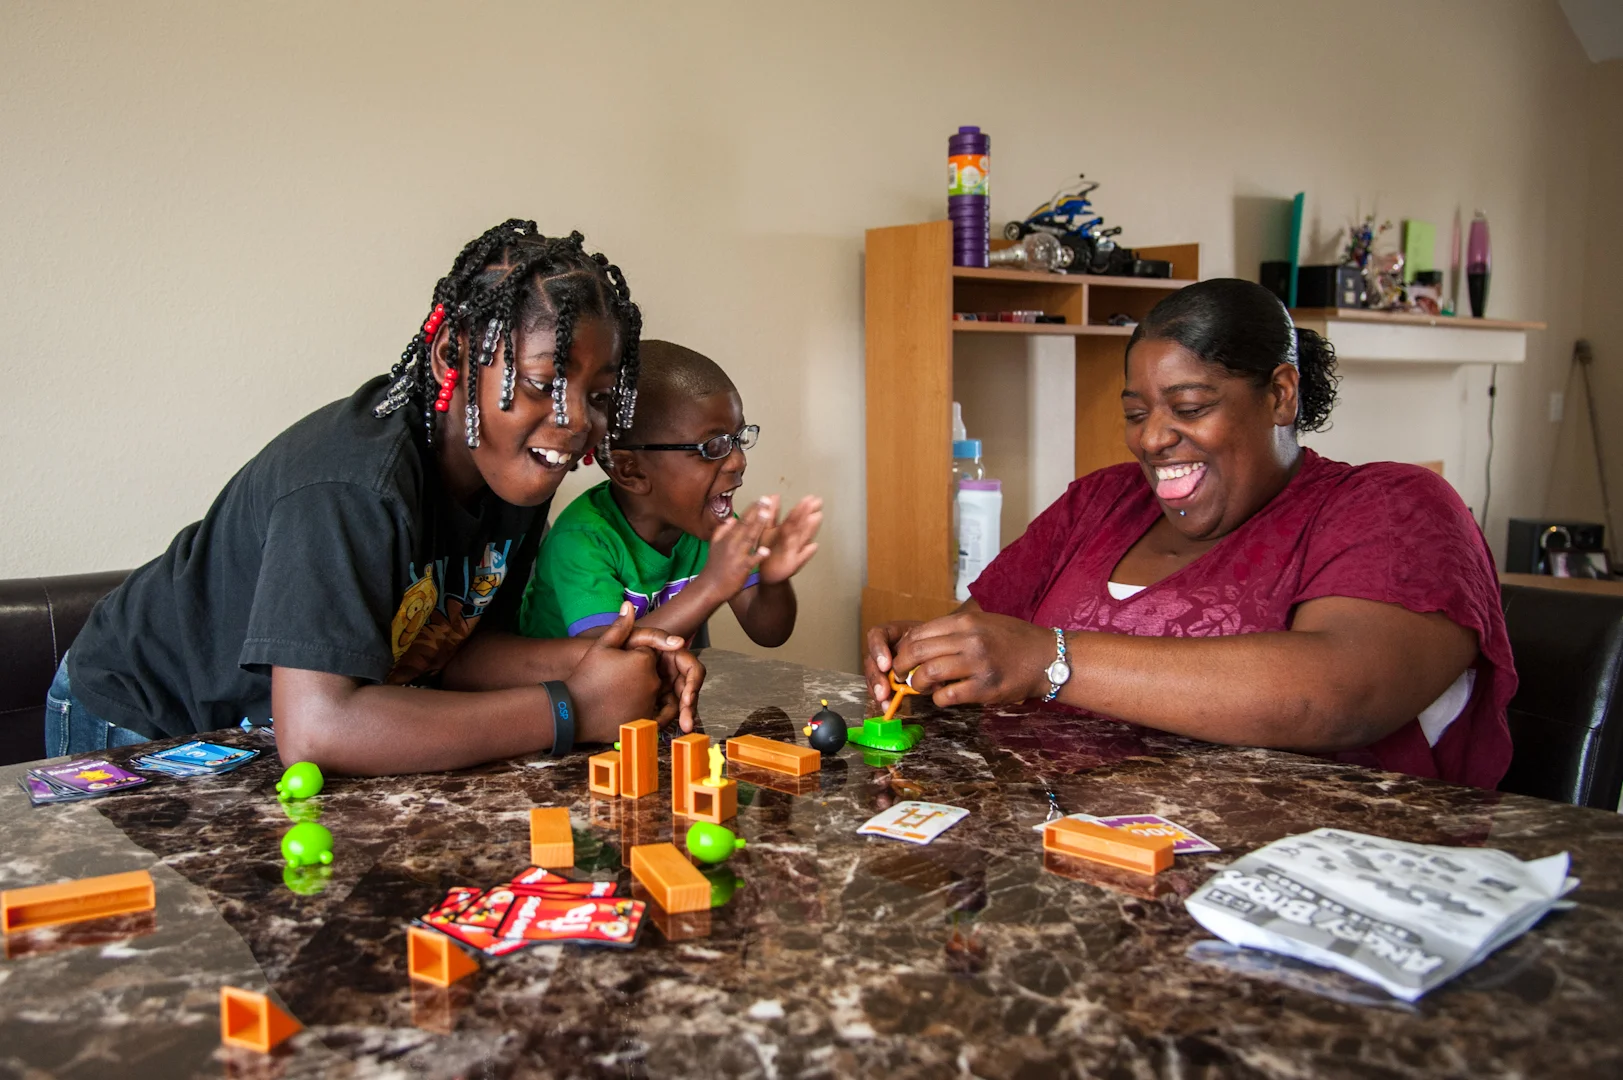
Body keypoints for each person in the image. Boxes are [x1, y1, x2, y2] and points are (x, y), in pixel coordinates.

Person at [50, 220, 703, 774]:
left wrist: (615, 662)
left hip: (270, 731)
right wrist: (572, 708)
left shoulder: (513, 474)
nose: (572, 421)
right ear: (453, 357)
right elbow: (320, 730)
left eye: (596, 396)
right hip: (146, 719)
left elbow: (461, 651)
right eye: (541, 382)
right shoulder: (352, 484)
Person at [865, 278, 1515, 789]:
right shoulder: (1101, 500)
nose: (1151, 438)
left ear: (1281, 395)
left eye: (1190, 407)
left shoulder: (1389, 506)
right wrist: (928, 661)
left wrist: (1050, 660)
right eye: (1135, 412)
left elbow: (1339, 693)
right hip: (1067, 853)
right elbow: (987, 640)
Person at [518, 340, 821, 648]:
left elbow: (769, 634)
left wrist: (773, 581)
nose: (738, 460)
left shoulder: (711, 525)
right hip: (562, 694)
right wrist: (711, 585)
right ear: (631, 471)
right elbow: (604, 659)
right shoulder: (584, 540)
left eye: (738, 439)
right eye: (712, 447)